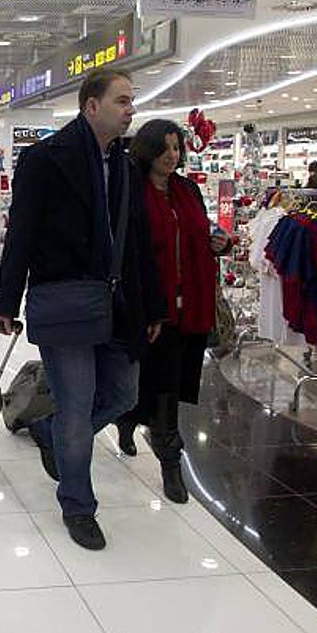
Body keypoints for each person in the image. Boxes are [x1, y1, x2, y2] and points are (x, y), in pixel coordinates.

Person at [0, 69, 165, 551]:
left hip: (117, 301)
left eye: (132, 101)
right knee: (76, 404)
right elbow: (22, 233)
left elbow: (138, 244)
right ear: (92, 106)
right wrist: (7, 300)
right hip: (66, 300)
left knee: (122, 394)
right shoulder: (45, 159)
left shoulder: (126, 167)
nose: (132, 108)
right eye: (123, 100)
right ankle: (77, 504)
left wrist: (152, 304)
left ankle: (52, 433)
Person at [114, 120, 232, 504]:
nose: (172, 155)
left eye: (177, 148)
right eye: (164, 148)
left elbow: (199, 234)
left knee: (169, 384)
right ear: (147, 150)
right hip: (154, 308)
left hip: (192, 308)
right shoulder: (131, 190)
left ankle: (128, 419)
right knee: (162, 386)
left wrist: (219, 244)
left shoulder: (188, 190)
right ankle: (170, 462)